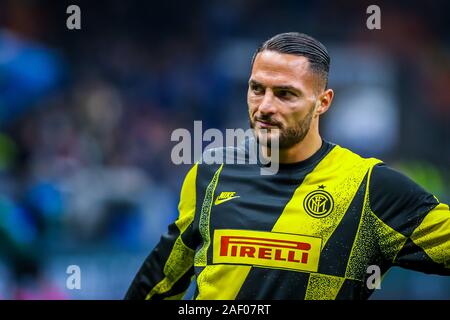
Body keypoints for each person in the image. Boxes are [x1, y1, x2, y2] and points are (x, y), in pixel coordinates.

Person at [125, 32, 450, 300]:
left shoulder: (369, 187)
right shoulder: (211, 173)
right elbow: (156, 287)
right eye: (257, 89)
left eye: (285, 94)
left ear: (323, 102)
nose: (265, 107)